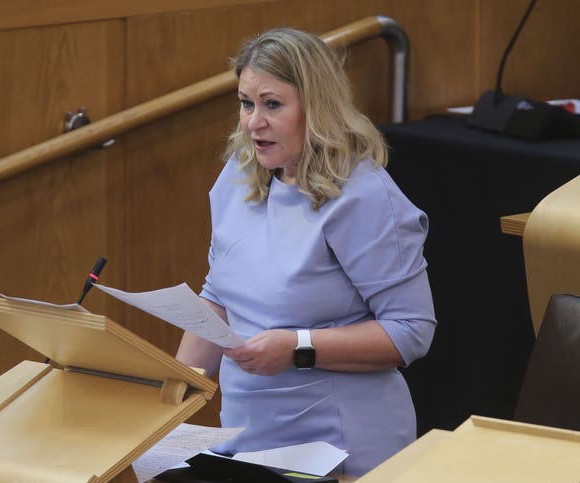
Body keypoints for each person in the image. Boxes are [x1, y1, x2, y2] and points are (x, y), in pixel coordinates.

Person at [176, 26, 436, 476]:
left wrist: (297, 347)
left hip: (340, 447)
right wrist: (170, 392)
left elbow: (411, 331)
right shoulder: (238, 177)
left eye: (272, 105)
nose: (253, 122)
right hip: (247, 439)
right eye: (246, 103)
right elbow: (219, 295)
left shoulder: (364, 196)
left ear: (315, 108)